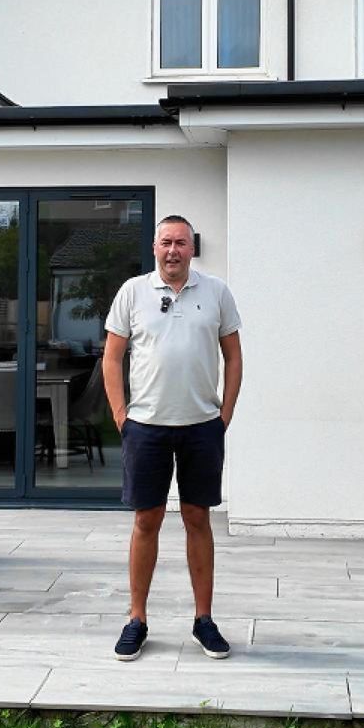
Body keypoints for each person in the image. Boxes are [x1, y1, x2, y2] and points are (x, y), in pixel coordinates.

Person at [101, 215, 242, 661]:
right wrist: (121, 416)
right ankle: (136, 619)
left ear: (192, 248)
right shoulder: (133, 292)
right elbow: (111, 357)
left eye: (181, 243)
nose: (173, 250)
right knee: (147, 520)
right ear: (154, 247)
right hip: (146, 427)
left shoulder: (216, 292)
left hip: (202, 426)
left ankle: (204, 620)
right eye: (166, 242)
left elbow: (234, 357)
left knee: (198, 519)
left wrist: (224, 414)